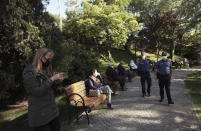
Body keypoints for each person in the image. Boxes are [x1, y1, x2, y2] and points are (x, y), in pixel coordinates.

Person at [22, 47, 64, 131]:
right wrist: (52, 79)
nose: (50, 61)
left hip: (52, 112)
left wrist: (57, 81)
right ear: (40, 57)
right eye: (48, 59)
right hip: (40, 115)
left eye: (51, 59)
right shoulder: (29, 72)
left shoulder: (44, 70)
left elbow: (48, 86)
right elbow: (37, 91)